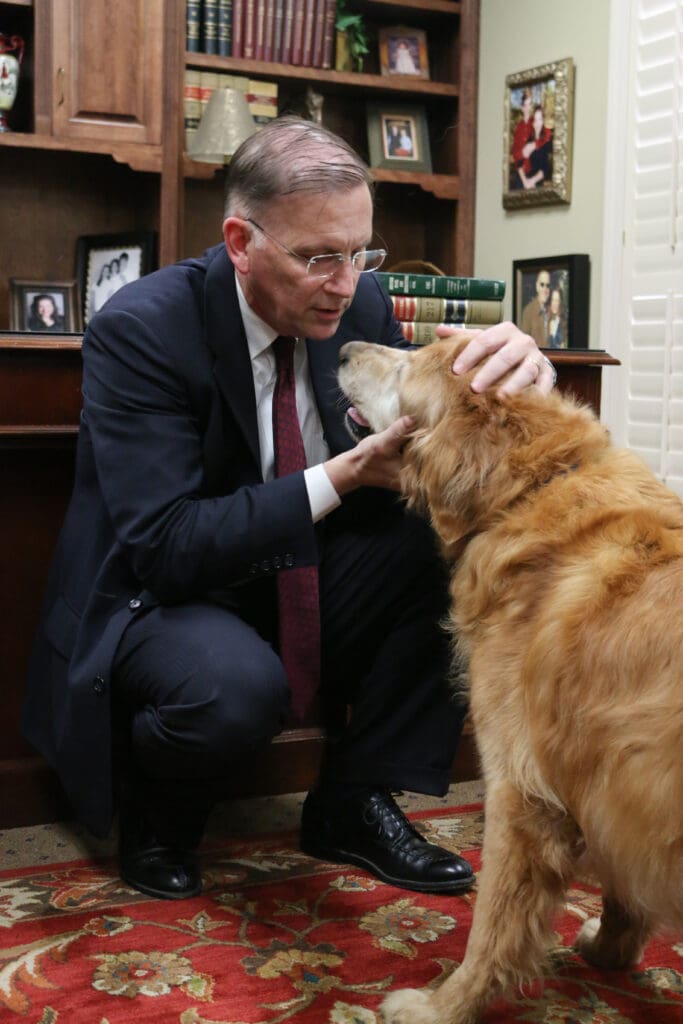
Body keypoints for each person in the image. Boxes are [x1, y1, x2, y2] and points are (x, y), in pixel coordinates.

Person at [24, 116, 555, 903]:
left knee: (460, 552)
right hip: (165, 598)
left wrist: (525, 376)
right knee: (232, 686)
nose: (347, 283)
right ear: (240, 242)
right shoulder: (140, 328)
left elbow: (444, 434)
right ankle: (161, 812)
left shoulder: (357, 300)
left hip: (301, 570)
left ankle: (350, 798)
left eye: (359, 252)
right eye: (318, 258)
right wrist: (340, 477)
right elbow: (166, 544)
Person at [518, 105, 553, 190]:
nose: (537, 123)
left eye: (540, 119)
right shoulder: (528, 140)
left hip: (537, 182)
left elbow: (546, 168)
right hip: (523, 180)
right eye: (535, 120)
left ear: (543, 121)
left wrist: (532, 181)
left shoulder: (547, 141)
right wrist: (525, 181)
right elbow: (519, 163)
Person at [520, 268, 552, 346]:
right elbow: (524, 344)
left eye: (548, 285)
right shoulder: (528, 311)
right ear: (537, 286)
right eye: (542, 285)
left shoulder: (550, 310)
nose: (545, 289)